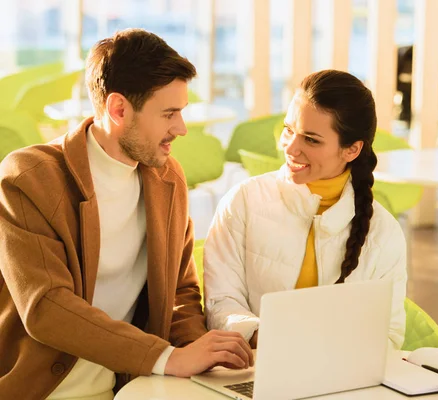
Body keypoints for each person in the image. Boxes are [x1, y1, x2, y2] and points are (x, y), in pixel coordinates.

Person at [0, 29, 252, 400]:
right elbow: (47, 307)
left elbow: (180, 290)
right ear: (119, 109)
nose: (180, 129)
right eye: (169, 114)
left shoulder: (168, 178)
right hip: (46, 389)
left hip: (133, 386)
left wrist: (204, 355)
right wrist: (167, 358)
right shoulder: (29, 178)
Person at [203, 70, 407, 350]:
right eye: (289, 130)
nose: (291, 148)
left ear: (351, 150)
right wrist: (263, 337)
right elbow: (220, 301)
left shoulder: (383, 233)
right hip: (256, 371)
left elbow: (389, 335)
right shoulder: (243, 201)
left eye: (311, 139)